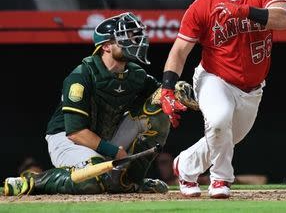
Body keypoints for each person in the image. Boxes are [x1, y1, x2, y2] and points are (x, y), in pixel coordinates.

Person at [3, 12, 197, 196]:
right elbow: (76, 132)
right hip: (67, 139)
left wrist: (174, 89)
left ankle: (130, 181)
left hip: (105, 136)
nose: (134, 41)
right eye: (125, 37)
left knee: (159, 107)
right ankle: (34, 181)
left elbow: (160, 95)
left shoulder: (136, 75)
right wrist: (114, 151)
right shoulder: (81, 76)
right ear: (106, 46)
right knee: (95, 180)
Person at [160, 0, 286, 198]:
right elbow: (180, 51)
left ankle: (185, 165)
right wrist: (167, 89)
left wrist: (245, 11)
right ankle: (220, 180)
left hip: (252, 88)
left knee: (225, 137)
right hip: (214, 77)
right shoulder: (202, 6)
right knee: (219, 121)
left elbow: (285, 19)